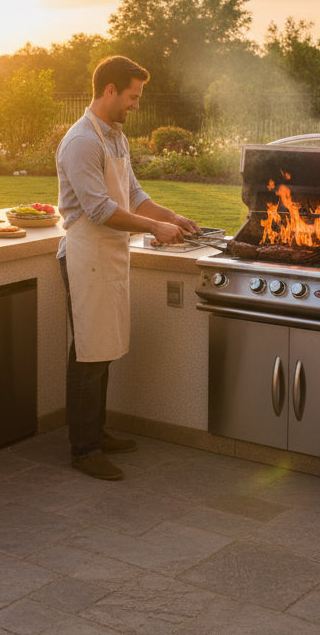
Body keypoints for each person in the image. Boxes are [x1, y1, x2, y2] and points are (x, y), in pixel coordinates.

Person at [56, 56, 200, 480]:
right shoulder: (82, 141)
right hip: (85, 256)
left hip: (111, 256)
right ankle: (83, 451)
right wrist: (154, 226)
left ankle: (96, 434)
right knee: (87, 354)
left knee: (102, 350)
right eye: (133, 96)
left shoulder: (115, 136)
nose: (136, 105)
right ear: (110, 90)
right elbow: (100, 210)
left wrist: (170, 216)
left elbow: (133, 194)